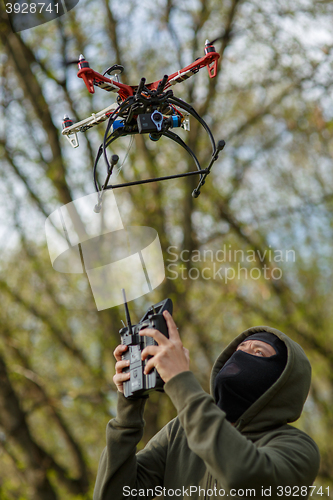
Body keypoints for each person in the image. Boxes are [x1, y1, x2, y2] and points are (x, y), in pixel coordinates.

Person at [93, 311, 320, 499]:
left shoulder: (298, 448)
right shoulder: (180, 432)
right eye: (240, 349)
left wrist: (180, 380)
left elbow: (245, 477)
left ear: (280, 381)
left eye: (258, 352)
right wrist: (128, 408)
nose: (242, 356)